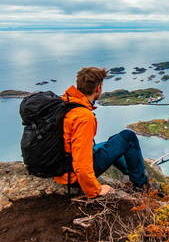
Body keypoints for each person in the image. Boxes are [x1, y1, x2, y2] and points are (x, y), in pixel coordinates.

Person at [54, 66, 149, 198]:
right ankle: (141, 186)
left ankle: (132, 171)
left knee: (112, 140)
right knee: (128, 137)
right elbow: (81, 163)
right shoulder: (84, 117)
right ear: (98, 88)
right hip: (73, 175)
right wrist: (95, 190)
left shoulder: (66, 103)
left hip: (61, 166)